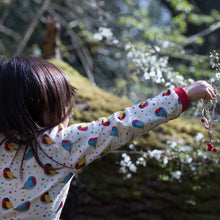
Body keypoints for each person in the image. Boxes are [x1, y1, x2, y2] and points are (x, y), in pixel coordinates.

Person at [0, 56, 216, 220]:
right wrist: (184, 95)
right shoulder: (59, 146)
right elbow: (123, 124)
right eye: (64, 105)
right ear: (45, 109)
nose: (69, 113)